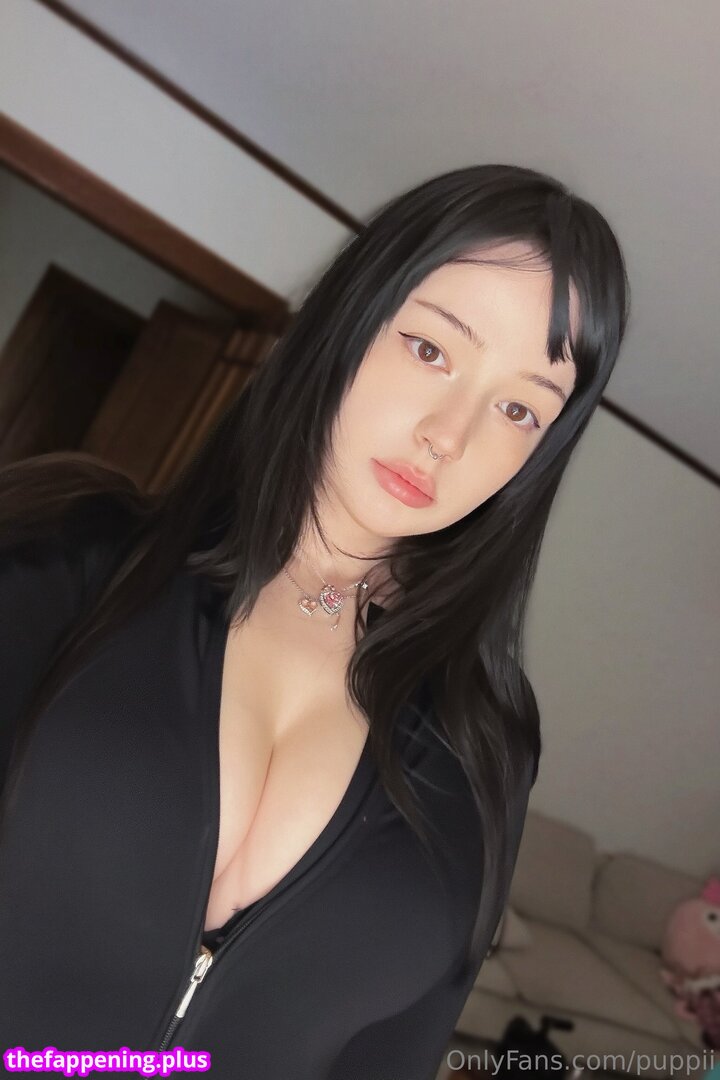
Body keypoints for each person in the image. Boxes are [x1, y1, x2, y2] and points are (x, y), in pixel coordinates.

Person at [0, 163, 630, 1079]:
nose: (449, 435)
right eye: (430, 349)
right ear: (350, 318)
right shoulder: (67, 547)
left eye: (518, 409)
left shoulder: (489, 741)